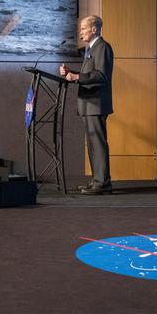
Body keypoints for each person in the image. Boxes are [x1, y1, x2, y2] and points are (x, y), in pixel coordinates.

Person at [59, 15, 114, 195]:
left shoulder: (102, 47)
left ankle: (103, 183)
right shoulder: (91, 48)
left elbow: (101, 76)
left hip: (96, 104)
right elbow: (89, 74)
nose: (80, 32)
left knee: (98, 144)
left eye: (83, 28)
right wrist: (71, 73)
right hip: (88, 104)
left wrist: (77, 77)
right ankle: (97, 180)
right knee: (92, 144)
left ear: (94, 29)